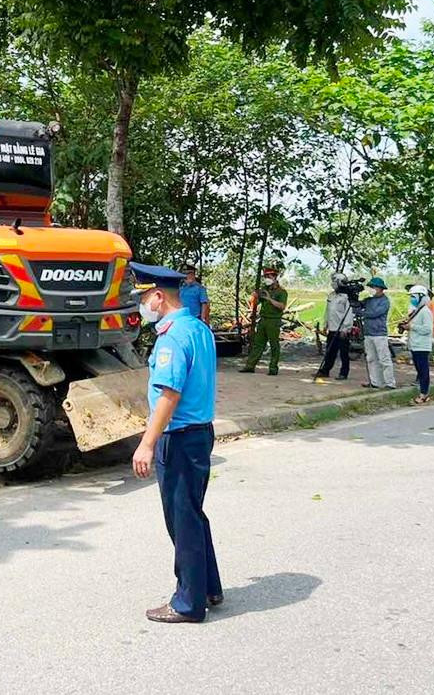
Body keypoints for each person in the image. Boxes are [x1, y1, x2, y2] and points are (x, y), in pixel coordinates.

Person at [128, 263, 222, 623]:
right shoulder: (199, 328)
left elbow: (169, 394)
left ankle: (188, 603)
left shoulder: (171, 337)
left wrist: (147, 443)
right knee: (193, 514)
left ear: (157, 297)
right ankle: (208, 587)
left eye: (143, 299)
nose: (142, 306)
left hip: (179, 438)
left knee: (182, 520)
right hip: (200, 433)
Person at [239, 267, 287, 375]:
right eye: (265, 276)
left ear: (275, 277)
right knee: (258, 344)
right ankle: (250, 366)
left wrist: (270, 299)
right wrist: (255, 297)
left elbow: (282, 306)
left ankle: (273, 368)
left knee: (274, 345)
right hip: (263, 319)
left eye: (269, 276)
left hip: (273, 321)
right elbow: (255, 303)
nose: (267, 279)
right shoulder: (265, 290)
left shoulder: (282, 292)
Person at [314, 273, 354, 381]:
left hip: (342, 329)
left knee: (343, 352)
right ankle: (325, 370)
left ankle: (344, 373)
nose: (333, 284)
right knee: (330, 351)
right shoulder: (331, 296)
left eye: (335, 281)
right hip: (332, 328)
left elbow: (349, 313)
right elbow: (328, 311)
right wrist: (325, 324)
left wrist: (346, 328)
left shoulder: (346, 297)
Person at [360, 276, 396, 389]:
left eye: (373, 287)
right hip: (368, 333)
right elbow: (359, 304)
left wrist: (361, 313)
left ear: (380, 288)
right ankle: (375, 382)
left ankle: (390, 383)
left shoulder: (385, 301)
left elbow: (374, 313)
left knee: (384, 359)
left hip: (379, 334)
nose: (372, 289)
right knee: (371, 359)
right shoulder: (369, 300)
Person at [401, 284, 434, 404]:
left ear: (421, 297)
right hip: (415, 345)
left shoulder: (425, 312)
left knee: (423, 370)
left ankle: (424, 394)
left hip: (422, 346)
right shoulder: (417, 311)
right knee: (419, 370)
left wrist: (412, 326)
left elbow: (427, 329)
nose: (412, 299)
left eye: (413, 296)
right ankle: (423, 392)